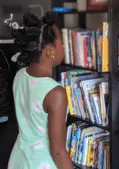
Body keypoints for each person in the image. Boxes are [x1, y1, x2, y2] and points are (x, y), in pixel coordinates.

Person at [6, 12, 74, 169]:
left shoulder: (20, 75)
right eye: (61, 44)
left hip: (19, 158)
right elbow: (58, 152)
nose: (64, 47)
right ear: (50, 51)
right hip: (42, 163)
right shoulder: (55, 93)